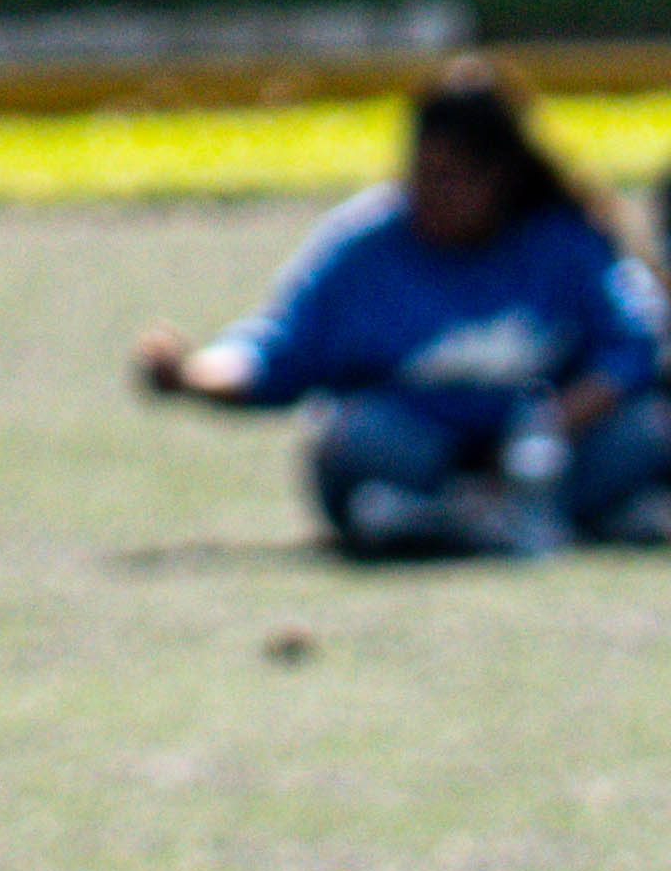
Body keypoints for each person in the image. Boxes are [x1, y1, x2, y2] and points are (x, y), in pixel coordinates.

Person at [134, 58, 668, 558]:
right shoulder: (367, 246)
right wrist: (191, 374)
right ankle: (480, 518)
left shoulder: (563, 241)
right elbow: (279, 350)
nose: (428, 195)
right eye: (421, 174)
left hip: (546, 453)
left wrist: (546, 429)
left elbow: (631, 349)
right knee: (356, 441)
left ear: (499, 177)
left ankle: (463, 522)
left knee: (644, 432)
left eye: (450, 179)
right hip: (419, 451)